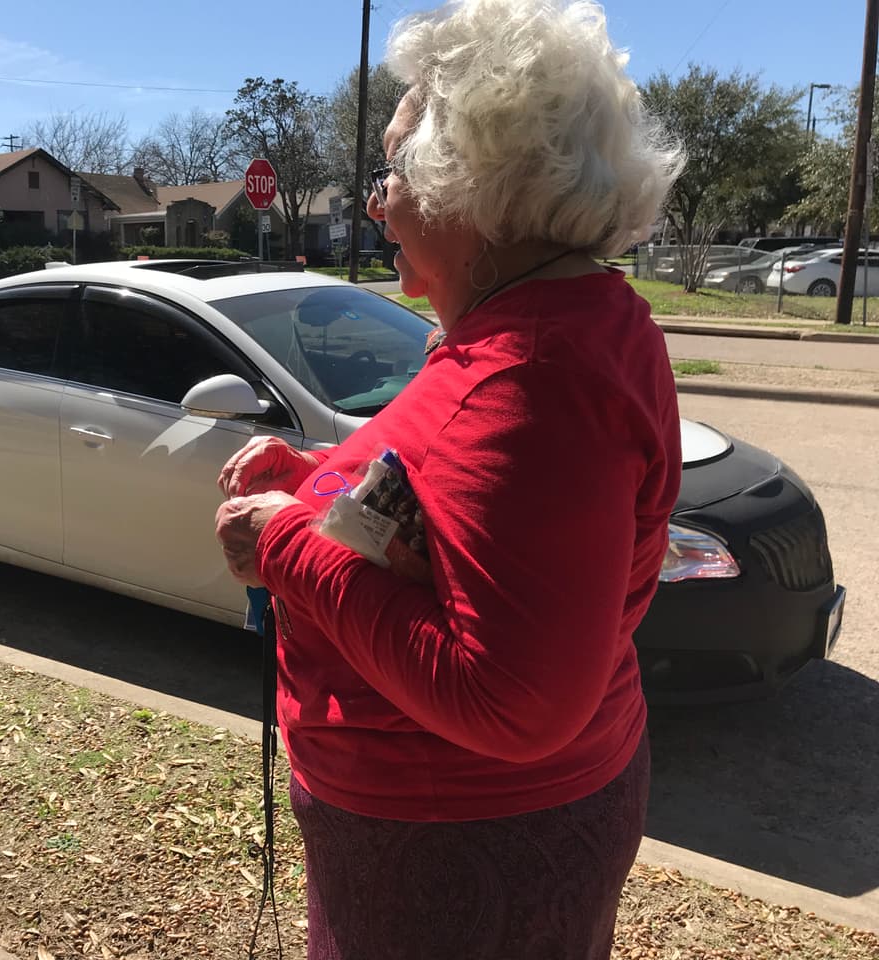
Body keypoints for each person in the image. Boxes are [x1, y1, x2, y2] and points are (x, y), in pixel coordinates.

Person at [214, 1, 685, 957]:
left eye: (391, 172)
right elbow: (457, 508)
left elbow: (512, 697)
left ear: (473, 189)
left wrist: (284, 547)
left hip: (457, 855)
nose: (378, 203)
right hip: (463, 832)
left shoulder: (531, 372)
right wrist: (317, 483)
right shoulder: (539, 323)